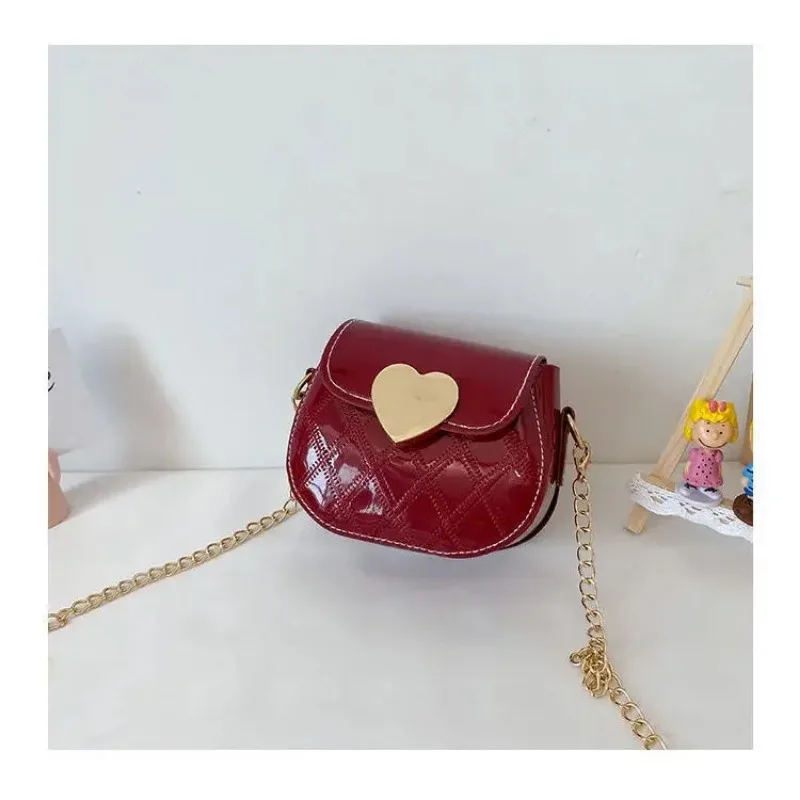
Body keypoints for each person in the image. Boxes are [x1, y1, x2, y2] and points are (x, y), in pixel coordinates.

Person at [677, 398, 738, 506]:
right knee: (692, 478)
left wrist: (719, 476)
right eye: (708, 430)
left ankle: (706, 489)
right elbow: (689, 463)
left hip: (710, 475)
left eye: (721, 432)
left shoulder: (718, 455)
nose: (715, 436)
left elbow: (719, 466)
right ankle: (690, 486)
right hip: (694, 474)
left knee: (709, 481)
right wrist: (686, 471)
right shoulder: (695, 452)